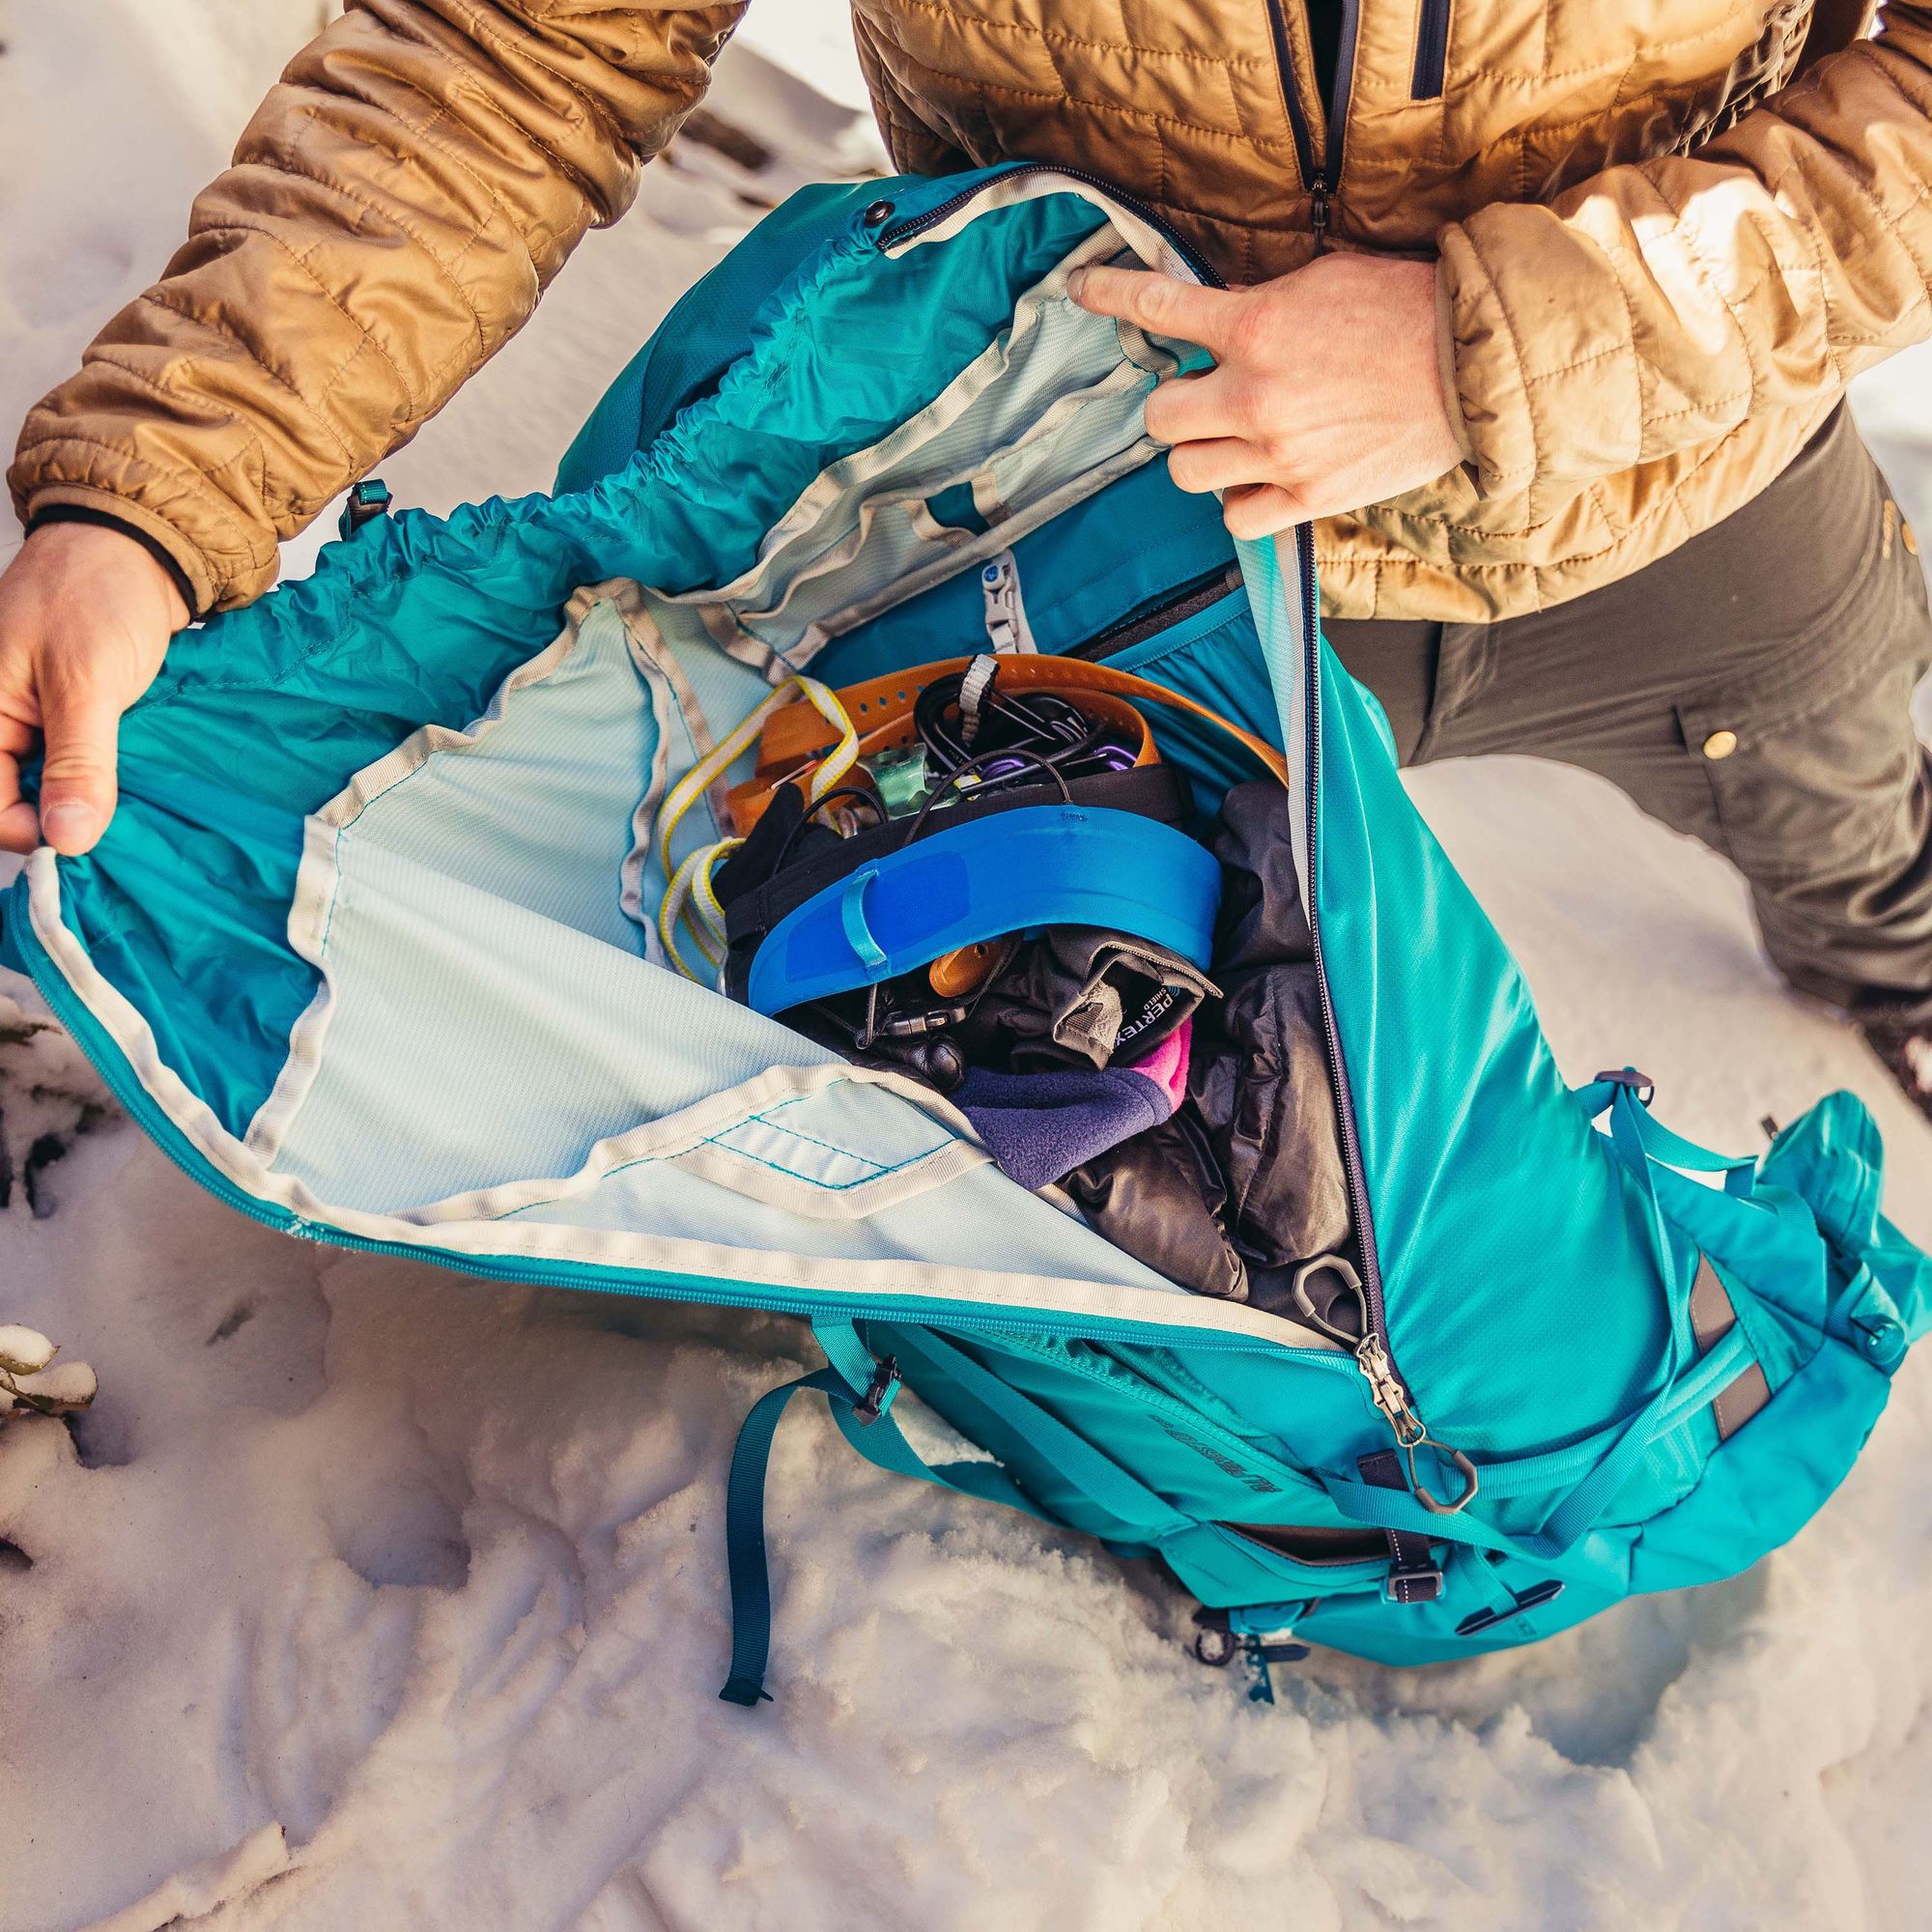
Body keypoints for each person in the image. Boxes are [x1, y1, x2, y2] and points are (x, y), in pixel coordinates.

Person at [3, 1, 1931, 1116]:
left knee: (1861, 806)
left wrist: (1490, 344)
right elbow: (507, 53)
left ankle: (1889, 949)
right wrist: (151, 496)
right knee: (966, 1054)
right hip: (1052, 508)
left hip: (1665, 491)